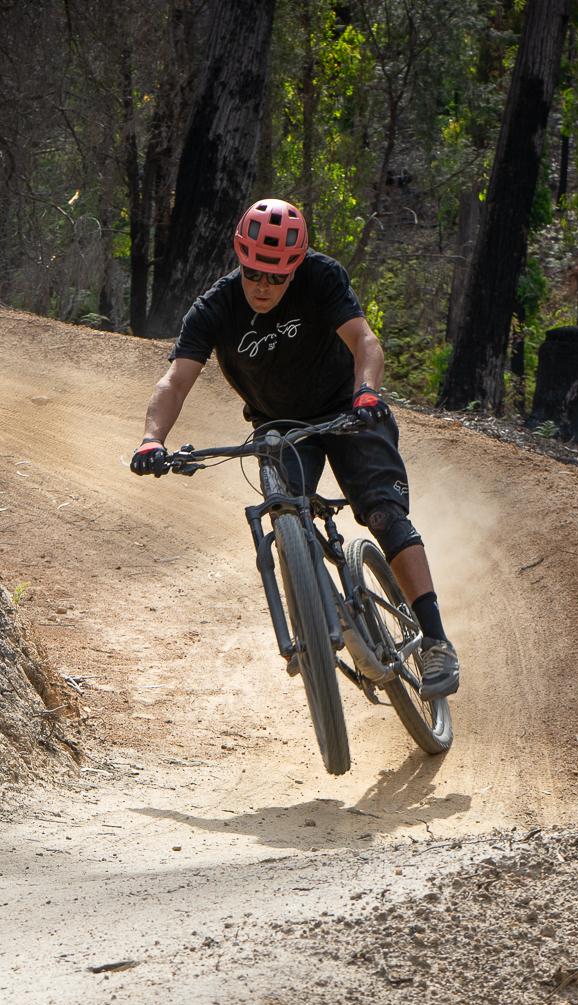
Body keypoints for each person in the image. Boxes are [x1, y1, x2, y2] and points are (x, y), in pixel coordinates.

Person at [130, 197, 460, 698]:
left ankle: (436, 642)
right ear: (240, 260)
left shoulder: (321, 277)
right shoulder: (215, 307)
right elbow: (174, 381)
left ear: (295, 268)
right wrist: (153, 439)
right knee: (283, 509)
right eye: (254, 273)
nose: (264, 286)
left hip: (349, 411)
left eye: (277, 278)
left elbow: (364, 341)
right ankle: (310, 613)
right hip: (278, 425)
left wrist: (366, 390)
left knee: (383, 515)